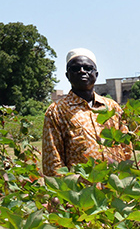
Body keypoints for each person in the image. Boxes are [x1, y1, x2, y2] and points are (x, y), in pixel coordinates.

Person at [42, 48, 133, 176]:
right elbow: (52, 157)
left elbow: (126, 147)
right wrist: (60, 191)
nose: (82, 71)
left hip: (114, 187)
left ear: (96, 74)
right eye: (75, 68)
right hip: (81, 191)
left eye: (87, 68)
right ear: (67, 75)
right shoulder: (56, 111)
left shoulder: (112, 107)